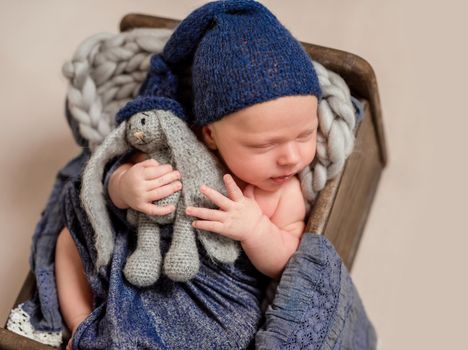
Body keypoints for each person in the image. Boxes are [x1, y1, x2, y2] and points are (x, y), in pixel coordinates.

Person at [55, 1, 322, 348]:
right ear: (209, 135)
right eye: (263, 146)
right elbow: (116, 181)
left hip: (214, 301)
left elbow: (286, 262)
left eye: (306, 135)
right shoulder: (183, 147)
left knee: (231, 334)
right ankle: (81, 328)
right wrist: (126, 186)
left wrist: (256, 230)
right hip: (140, 261)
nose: (290, 157)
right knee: (69, 239)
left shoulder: (282, 193)